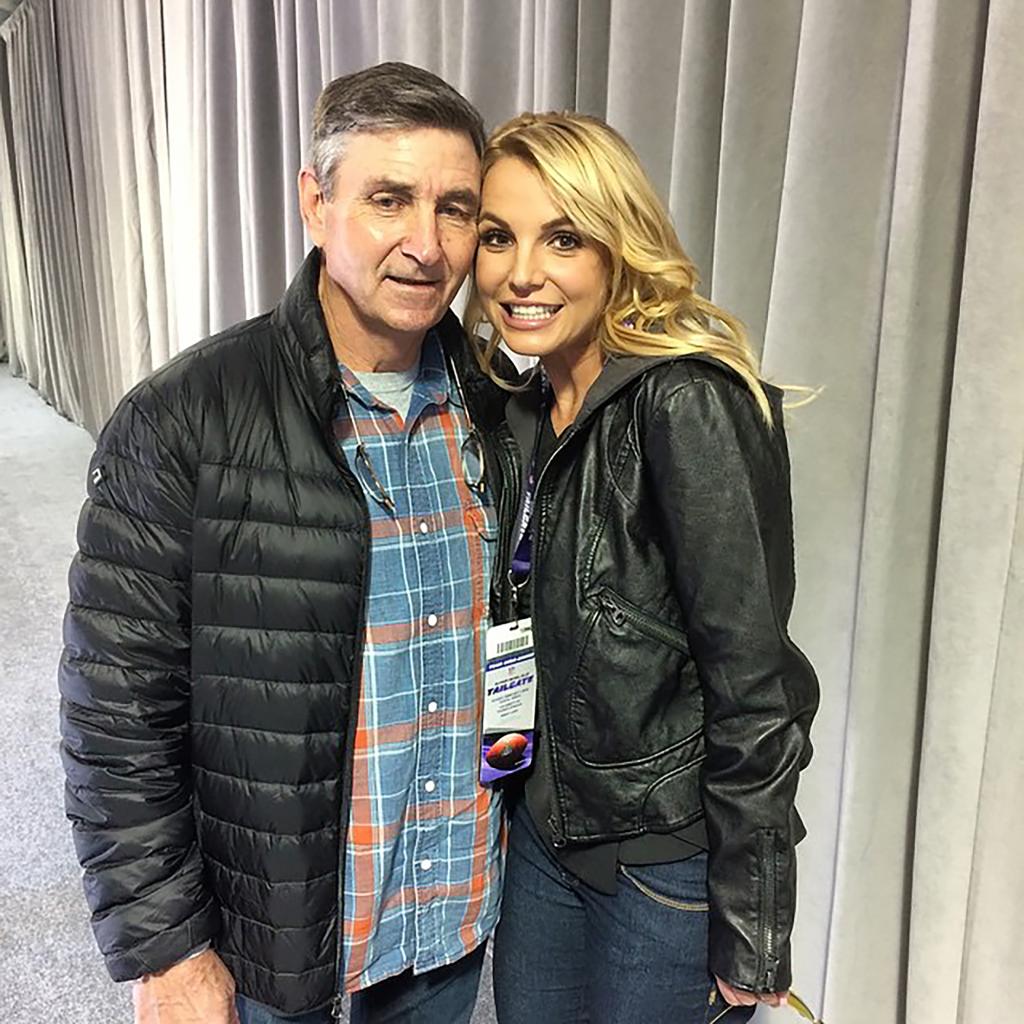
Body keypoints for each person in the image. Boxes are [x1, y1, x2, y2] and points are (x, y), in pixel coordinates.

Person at [59, 62, 517, 1024]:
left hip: (450, 919)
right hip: (271, 942)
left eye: (455, 210)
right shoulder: (185, 417)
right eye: (388, 199)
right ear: (316, 202)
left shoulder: (497, 413)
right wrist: (166, 952)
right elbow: (115, 711)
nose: (425, 246)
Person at [466, 112, 820, 1024]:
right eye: (498, 236)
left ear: (617, 246)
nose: (521, 273)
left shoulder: (686, 402)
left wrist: (754, 923)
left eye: (563, 237)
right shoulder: (523, 407)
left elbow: (755, 681)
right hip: (544, 834)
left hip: (662, 868)